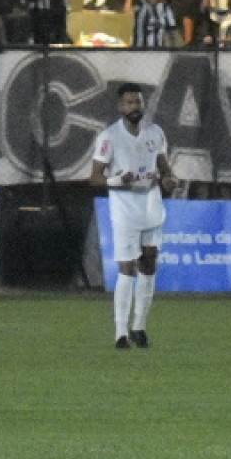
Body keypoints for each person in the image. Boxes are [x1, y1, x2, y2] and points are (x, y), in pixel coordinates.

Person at [89, 81, 178, 348]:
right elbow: (94, 178)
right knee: (127, 269)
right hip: (125, 210)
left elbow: (164, 167)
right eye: (129, 102)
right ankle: (120, 333)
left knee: (149, 264)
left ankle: (139, 326)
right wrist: (118, 180)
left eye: (138, 101)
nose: (134, 107)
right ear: (120, 107)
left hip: (151, 207)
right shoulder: (109, 138)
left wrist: (169, 179)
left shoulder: (155, 133)